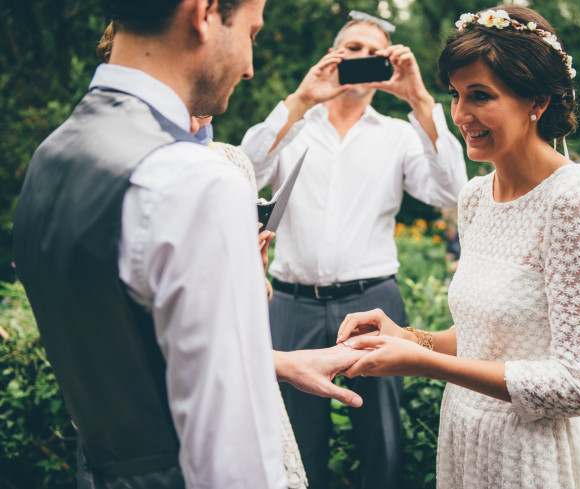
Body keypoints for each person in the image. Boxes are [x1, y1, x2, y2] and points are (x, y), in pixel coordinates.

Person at [12, 1, 366, 488]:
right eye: (252, 32)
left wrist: (276, 363)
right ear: (204, 14)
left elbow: (133, 355)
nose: (249, 67)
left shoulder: (51, 157)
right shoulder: (192, 182)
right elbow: (234, 451)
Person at [336, 6, 580, 489]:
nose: (462, 115)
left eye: (481, 96)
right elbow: (480, 337)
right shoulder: (474, 197)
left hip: (534, 458)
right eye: (456, 95)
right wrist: (408, 337)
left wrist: (425, 365)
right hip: (467, 441)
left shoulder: (572, 198)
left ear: (538, 101)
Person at [241, 10, 468, 488]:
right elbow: (248, 172)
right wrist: (301, 100)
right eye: (354, 49)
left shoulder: (399, 134)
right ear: (334, 56)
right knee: (297, 443)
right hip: (291, 304)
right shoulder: (296, 127)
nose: (364, 58)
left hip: (373, 303)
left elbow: (451, 190)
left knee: (382, 440)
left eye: (375, 53)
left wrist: (421, 100)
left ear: (388, 66)